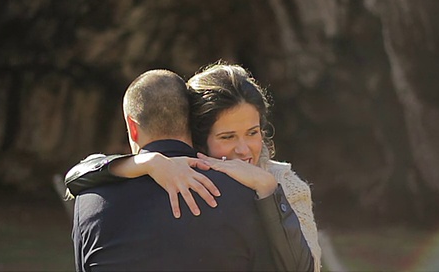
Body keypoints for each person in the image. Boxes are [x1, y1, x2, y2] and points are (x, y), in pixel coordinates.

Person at [66, 63, 320, 271]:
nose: (243, 149)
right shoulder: (216, 187)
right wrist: (147, 162)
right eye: (227, 137)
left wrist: (268, 188)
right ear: (196, 133)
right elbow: (76, 178)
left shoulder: (283, 186)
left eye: (252, 132)